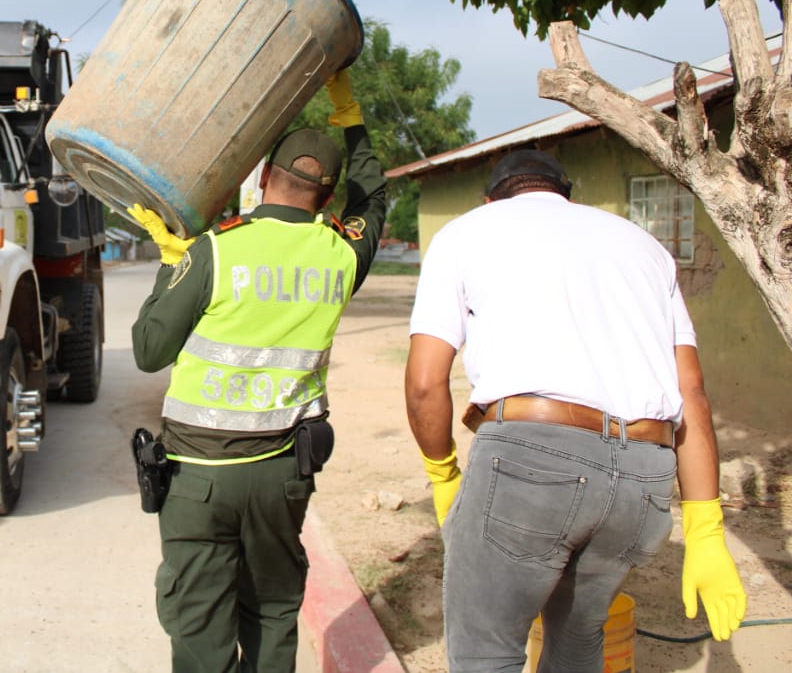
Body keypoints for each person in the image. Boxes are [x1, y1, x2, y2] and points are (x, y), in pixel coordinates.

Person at [404, 148, 747, 672]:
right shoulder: (644, 246)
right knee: (579, 642)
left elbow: (426, 383)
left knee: (485, 652)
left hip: (531, 462)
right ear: (568, 196)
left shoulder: (466, 232)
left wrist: (442, 474)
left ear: (490, 198)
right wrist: (705, 528)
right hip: (643, 475)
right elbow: (691, 392)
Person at [129, 69, 388, 673]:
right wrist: (350, 116)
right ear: (327, 199)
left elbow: (148, 350)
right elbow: (374, 197)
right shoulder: (342, 255)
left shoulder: (214, 250)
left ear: (264, 177)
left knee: (198, 624)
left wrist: (172, 263)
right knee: (273, 612)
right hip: (280, 476)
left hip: (198, 477)